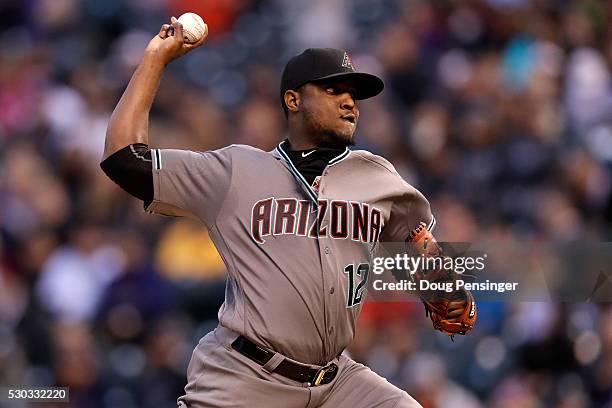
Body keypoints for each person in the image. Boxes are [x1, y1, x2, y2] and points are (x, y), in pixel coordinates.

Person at [101, 17, 475, 408]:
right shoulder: (236, 171)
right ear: (293, 100)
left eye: (352, 93)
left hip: (337, 381)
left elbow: (418, 243)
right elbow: (123, 159)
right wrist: (155, 59)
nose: (349, 101)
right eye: (333, 89)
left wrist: (439, 280)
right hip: (246, 377)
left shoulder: (378, 177)